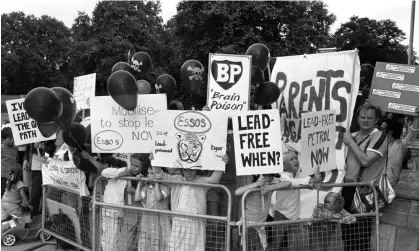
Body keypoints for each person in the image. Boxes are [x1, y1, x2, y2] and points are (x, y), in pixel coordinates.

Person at [150, 152, 229, 251]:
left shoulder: (201, 181)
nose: (189, 172)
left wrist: (222, 163)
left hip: (196, 221)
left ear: (197, 170)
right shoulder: (176, 180)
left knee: (195, 247)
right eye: (186, 170)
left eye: (192, 170)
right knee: (176, 247)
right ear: (182, 170)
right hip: (178, 221)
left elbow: (214, 179)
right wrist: (154, 160)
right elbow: (159, 175)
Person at [342, 103, 387, 251]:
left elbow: (366, 160)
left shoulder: (379, 136)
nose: (365, 120)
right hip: (346, 189)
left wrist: (350, 142)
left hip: (364, 192)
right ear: (357, 118)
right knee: (347, 234)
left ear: (376, 120)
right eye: (362, 117)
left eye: (370, 118)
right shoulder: (351, 135)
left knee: (361, 236)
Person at [81, 152, 142, 251]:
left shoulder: (140, 177)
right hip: (111, 209)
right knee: (108, 236)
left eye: (137, 166)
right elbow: (104, 172)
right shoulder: (122, 171)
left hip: (123, 212)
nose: (134, 168)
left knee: (119, 238)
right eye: (133, 165)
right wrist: (120, 173)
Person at [268, 150, 320, 250]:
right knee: (276, 246)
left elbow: (304, 180)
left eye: (296, 158)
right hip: (281, 214)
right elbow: (293, 182)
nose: (296, 160)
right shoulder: (282, 176)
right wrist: (311, 180)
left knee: (294, 246)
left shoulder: (298, 174)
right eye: (291, 159)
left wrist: (314, 183)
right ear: (284, 166)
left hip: (295, 215)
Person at [235, 174, 291, 251]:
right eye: (264, 175)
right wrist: (256, 184)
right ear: (258, 176)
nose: (267, 178)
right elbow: (237, 192)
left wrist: (270, 188)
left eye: (270, 176)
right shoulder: (252, 188)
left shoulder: (270, 187)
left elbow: (288, 183)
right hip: (248, 225)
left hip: (261, 227)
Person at [136, 165, 171, 251]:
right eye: (148, 173)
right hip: (148, 218)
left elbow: (159, 197)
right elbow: (137, 198)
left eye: (152, 173)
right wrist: (139, 183)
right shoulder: (146, 188)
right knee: (148, 239)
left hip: (162, 218)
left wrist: (156, 183)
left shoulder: (166, 187)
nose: (149, 176)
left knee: (162, 239)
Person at [380, 119, 408, 186]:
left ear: (390, 131)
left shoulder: (398, 146)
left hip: (389, 185)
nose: (380, 131)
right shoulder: (384, 144)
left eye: (382, 129)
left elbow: (392, 171)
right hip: (380, 183)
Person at [1, 126, 20, 197]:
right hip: (3, 176)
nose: (12, 140)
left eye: (13, 138)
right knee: (3, 195)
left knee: (10, 195)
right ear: (3, 139)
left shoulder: (16, 148)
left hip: (13, 176)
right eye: (10, 139)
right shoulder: (1, 148)